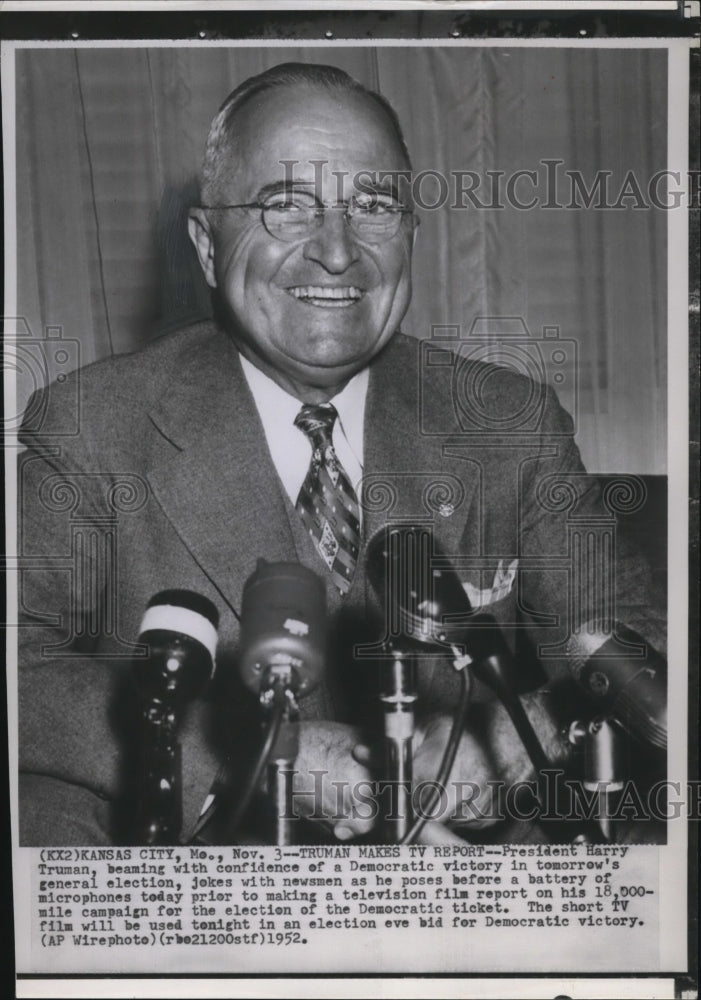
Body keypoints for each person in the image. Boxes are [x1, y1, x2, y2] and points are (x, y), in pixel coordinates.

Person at [17, 62, 666, 846]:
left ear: (411, 237)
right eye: (286, 207)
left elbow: (638, 638)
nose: (335, 251)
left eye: (373, 206)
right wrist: (251, 751)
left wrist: (507, 737)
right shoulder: (89, 427)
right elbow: (22, 668)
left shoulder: (509, 421)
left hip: (462, 904)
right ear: (206, 243)